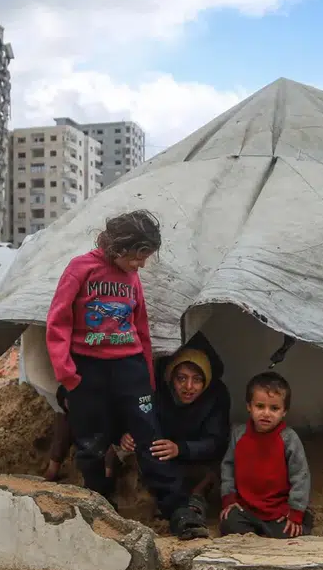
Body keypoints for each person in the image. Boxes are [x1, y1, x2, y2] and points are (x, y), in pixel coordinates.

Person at [45, 210, 208, 539]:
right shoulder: (81, 269)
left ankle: (177, 510)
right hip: (88, 370)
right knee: (91, 444)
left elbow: (140, 327)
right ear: (118, 248)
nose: (141, 265)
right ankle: (101, 506)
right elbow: (57, 320)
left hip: (129, 367)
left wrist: (145, 376)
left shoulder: (130, 278)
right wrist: (68, 374)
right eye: (138, 257)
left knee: (150, 439)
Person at [119, 332, 231, 516]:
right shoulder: (155, 389)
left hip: (195, 459)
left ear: (206, 381)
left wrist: (181, 448)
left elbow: (216, 441)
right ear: (171, 377)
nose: (188, 387)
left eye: (197, 379)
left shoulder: (216, 396)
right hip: (159, 458)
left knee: (209, 475)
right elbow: (134, 415)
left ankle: (191, 503)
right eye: (182, 378)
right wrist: (127, 434)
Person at [219, 371, 314, 539]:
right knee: (229, 522)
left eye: (274, 408)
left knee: (292, 529)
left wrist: (296, 510)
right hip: (246, 508)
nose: (266, 413)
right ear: (249, 406)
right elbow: (228, 466)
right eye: (260, 406)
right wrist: (229, 497)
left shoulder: (288, 439)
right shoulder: (238, 434)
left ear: (284, 411)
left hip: (279, 510)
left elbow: (301, 475)